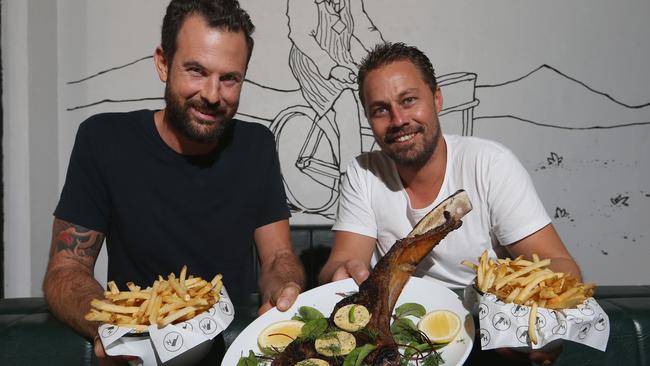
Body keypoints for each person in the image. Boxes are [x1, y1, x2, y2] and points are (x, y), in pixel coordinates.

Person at [42, 0, 305, 362]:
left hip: (230, 350)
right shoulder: (102, 140)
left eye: (229, 78)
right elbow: (66, 269)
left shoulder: (256, 145)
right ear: (163, 63)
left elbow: (277, 256)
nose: (213, 95)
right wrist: (114, 328)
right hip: (136, 350)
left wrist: (286, 289)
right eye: (196, 71)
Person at [318, 42, 581, 365]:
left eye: (409, 100)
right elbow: (342, 262)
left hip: (485, 337)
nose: (398, 119)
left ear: (437, 99)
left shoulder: (489, 164)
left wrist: (531, 322)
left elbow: (561, 265)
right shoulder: (363, 172)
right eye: (380, 109)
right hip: (400, 339)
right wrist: (341, 274)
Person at [286, 0, 385, 175]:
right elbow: (301, 36)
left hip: (341, 58)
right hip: (311, 62)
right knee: (346, 104)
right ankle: (349, 176)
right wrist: (331, 67)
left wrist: (387, 54)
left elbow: (362, 26)